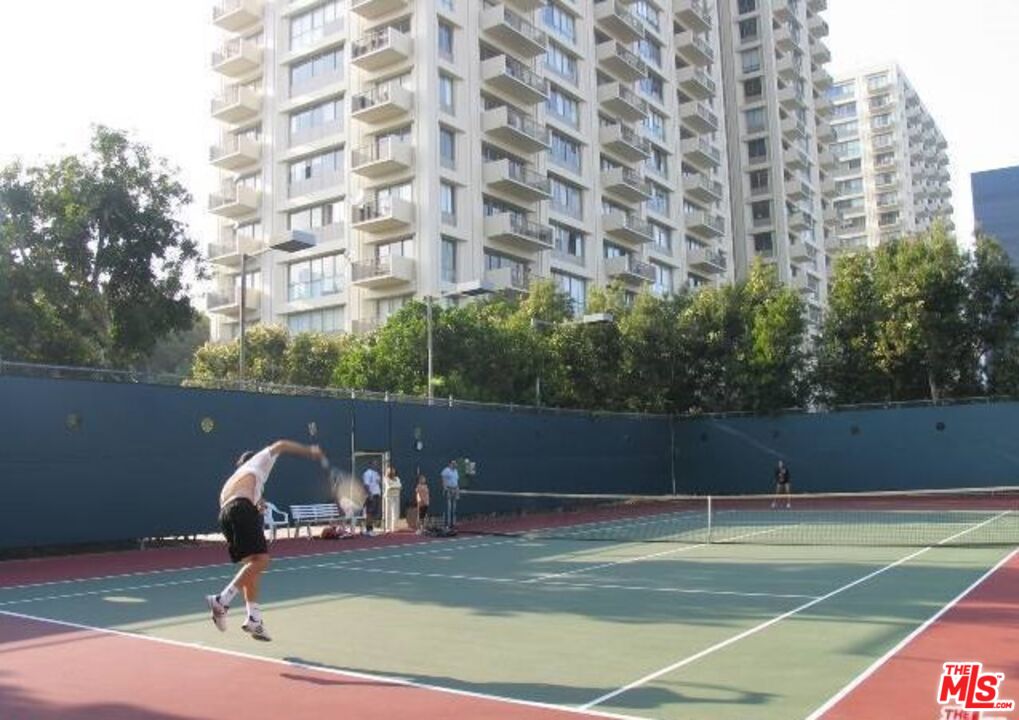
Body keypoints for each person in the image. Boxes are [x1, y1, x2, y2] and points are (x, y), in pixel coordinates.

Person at [206, 440, 325, 642]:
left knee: (252, 568)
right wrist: (309, 451)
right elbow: (281, 444)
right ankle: (222, 599)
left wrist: (257, 505)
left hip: (226, 515)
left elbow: (245, 499)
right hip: (239, 510)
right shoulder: (258, 461)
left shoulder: (235, 480)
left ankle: (254, 618)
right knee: (262, 561)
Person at [362, 460, 382, 536]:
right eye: (374, 464)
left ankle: (371, 529)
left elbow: (378, 483)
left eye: (377, 464)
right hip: (371, 495)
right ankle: (368, 530)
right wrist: (369, 495)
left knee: (373, 514)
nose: (376, 465)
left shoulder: (376, 473)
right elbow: (366, 485)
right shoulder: (367, 473)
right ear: (370, 465)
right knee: (369, 513)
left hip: (377, 495)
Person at [382, 465, 402, 533]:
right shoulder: (385, 478)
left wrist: (395, 486)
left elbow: (400, 486)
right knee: (388, 512)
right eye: (391, 470)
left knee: (396, 512)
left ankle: (394, 527)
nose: (393, 471)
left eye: (393, 469)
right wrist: (396, 486)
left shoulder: (397, 478)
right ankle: (387, 528)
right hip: (388, 496)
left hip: (396, 496)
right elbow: (389, 486)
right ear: (388, 471)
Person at [440, 459, 460, 528]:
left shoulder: (456, 471)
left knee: (454, 508)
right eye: (453, 463)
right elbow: (443, 479)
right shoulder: (446, 470)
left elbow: (456, 482)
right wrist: (445, 488)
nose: (455, 464)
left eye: (455, 463)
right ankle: (447, 524)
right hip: (448, 490)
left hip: (455, 490)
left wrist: (457, 492)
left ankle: (453, 524)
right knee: (448, 507)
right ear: (450, 464)